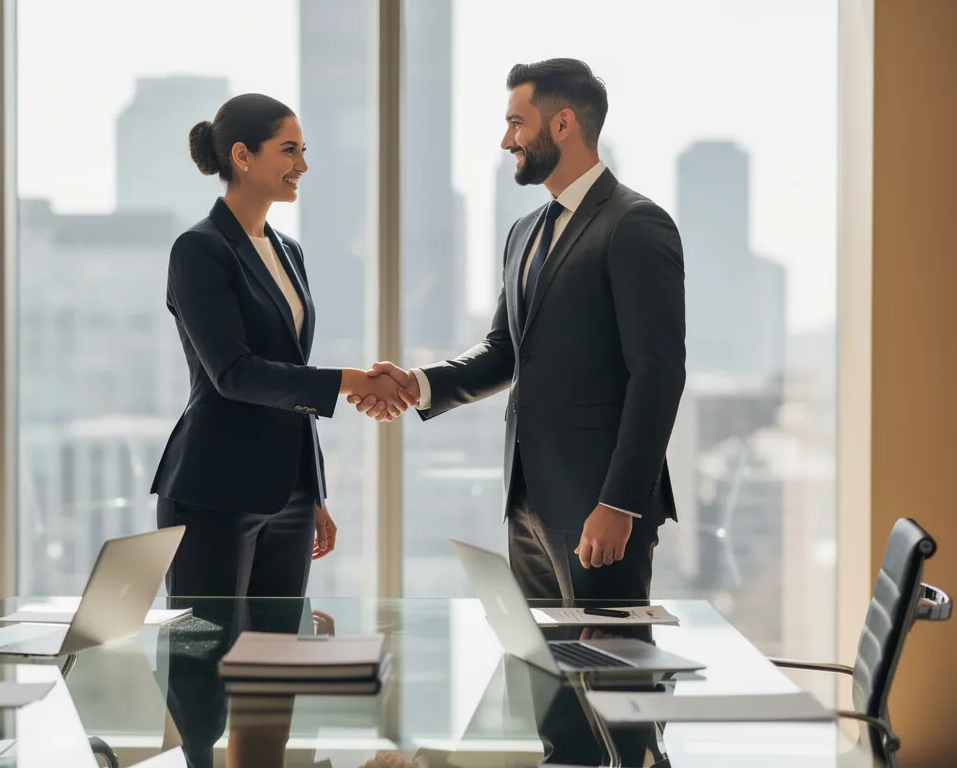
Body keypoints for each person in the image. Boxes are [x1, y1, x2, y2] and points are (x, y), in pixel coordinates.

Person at [352, 59, 686, 602]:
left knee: (608, 652)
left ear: (562, 124)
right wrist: (419, 383)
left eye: (516, 123)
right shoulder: (524, 232)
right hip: (526, 501)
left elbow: (658, 374)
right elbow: (507, 349)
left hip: (599, 506)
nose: (507, 140)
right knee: (539, 655)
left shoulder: (635, 224)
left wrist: (620, 503)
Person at [150, 93, 416, 601]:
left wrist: (312, 490)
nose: (303, 165)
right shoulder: (199, 249)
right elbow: (234, 373)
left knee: (279, 647)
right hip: (215, 488)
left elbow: (290, 371)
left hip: (288, 495)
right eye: (289, 150)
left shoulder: (288, 251)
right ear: (243, 156)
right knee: (208, 648)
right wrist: (351, 382)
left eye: (303, 150)